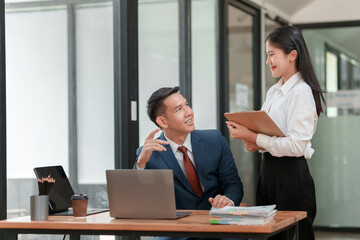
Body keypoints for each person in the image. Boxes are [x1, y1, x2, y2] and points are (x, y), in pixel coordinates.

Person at [226, 25, 325, 240]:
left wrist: (254, 137)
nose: (267, 61)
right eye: (266, 55)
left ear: (292, 55)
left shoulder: (301, 91)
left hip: (291, 178)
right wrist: (253, 141)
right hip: (268, 172)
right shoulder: (274, 91)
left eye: (272, 55)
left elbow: (297, 146)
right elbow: (272, 135)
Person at [135, 87, 243, 210]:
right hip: (176, 225)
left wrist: (228, 199)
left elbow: (233, 184)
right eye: (179, 109)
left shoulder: (215, 140)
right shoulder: (148, 154)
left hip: (216, 220)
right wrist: (141, 163)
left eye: (187, 104)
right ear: (163, 122)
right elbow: (140, 199)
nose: (189, 112)